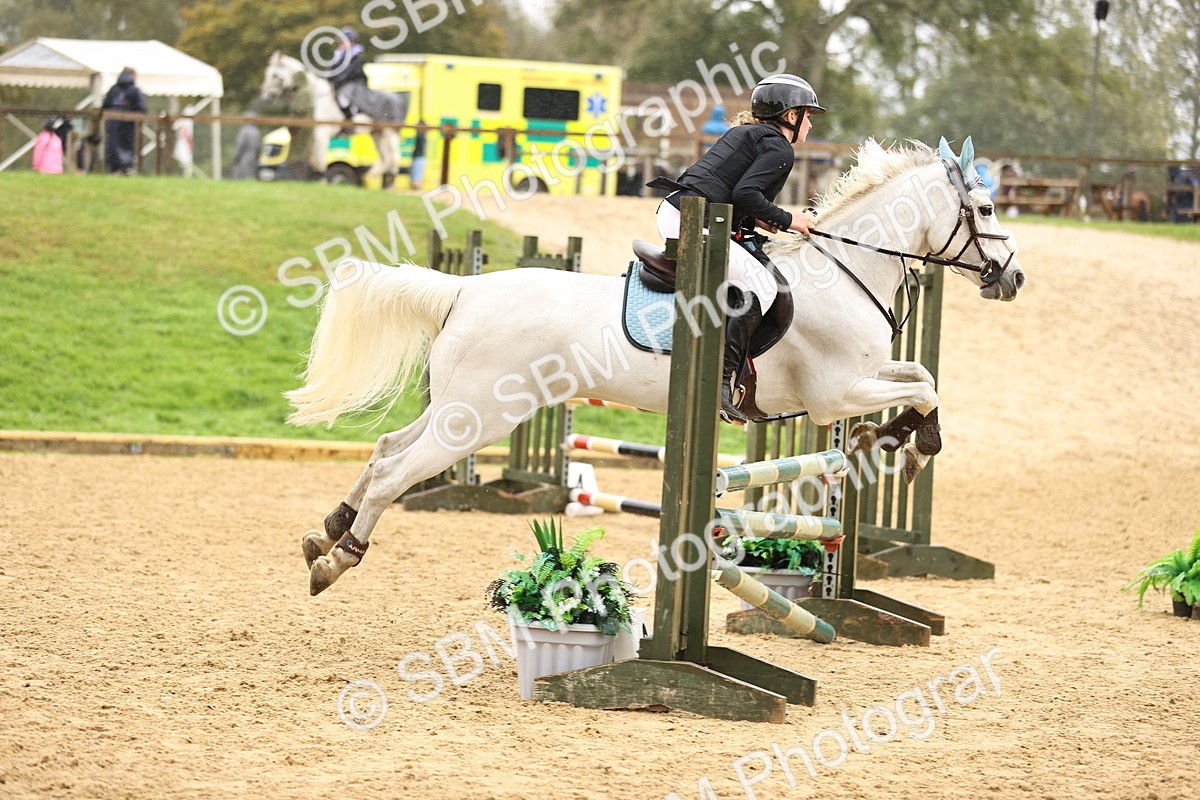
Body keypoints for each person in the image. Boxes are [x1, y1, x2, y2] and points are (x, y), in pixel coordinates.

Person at [648, 73, 823, 423]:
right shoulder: (779, 146)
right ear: (791, 116)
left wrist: (761, 220)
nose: (810, 125)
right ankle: (721, 383)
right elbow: (746, 194)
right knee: (761, 285)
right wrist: (790, 220)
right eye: (808, 115)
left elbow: (733, 192)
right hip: (691, 218)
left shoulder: (749, 134)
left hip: (681, 210)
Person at [101, 67, 148, 175]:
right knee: (128, 146)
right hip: (129, 125)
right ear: (133, 75)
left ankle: (114, 168)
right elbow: (142, 107)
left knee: (112, 145)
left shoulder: (113, 89)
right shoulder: (135, 90)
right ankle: (127, 167)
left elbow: (105, 105)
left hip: (111, 123)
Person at [329, 26, 369, 122]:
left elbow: (352, 71)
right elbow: (332, 69)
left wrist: (338, 80)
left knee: (344, 97)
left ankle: (352, 116)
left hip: (354, 82)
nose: (340, 45)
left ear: (351, 42)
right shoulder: (338, 54)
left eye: (342, 42)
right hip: (341, 82)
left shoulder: (358, 54)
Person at [230, 112, 262, 180]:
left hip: (244, 156)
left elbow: (240, 144)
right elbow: (258, 147)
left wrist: (235, 156)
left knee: (241, 176)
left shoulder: (244, 131)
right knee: (251, 175)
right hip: (254, 156)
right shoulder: (256, 131)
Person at [409, 122, 427, 191]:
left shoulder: (420, 136)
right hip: (419, 157)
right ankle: (416, 186)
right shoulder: (420, 136)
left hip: (418, 158)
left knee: (416, 177)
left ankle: (416, 186)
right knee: (416, 177)